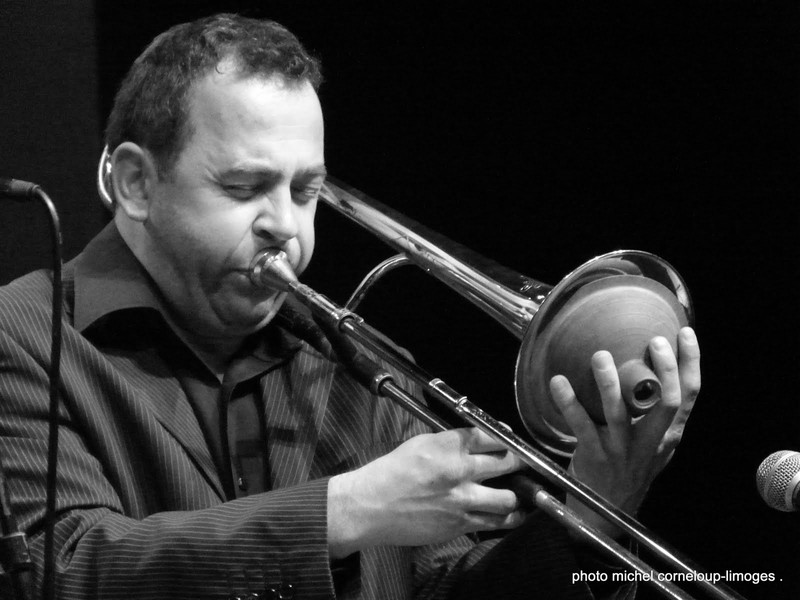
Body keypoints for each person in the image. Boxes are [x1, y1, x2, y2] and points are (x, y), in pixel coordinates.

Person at [0, 13, 700, 600]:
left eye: (306, 191)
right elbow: (62, 567)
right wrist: (344, 511)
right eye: (245, 188)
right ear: (135, 184)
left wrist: (596, 509)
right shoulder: (22, 337)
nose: (286, 225)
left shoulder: (354, 360)